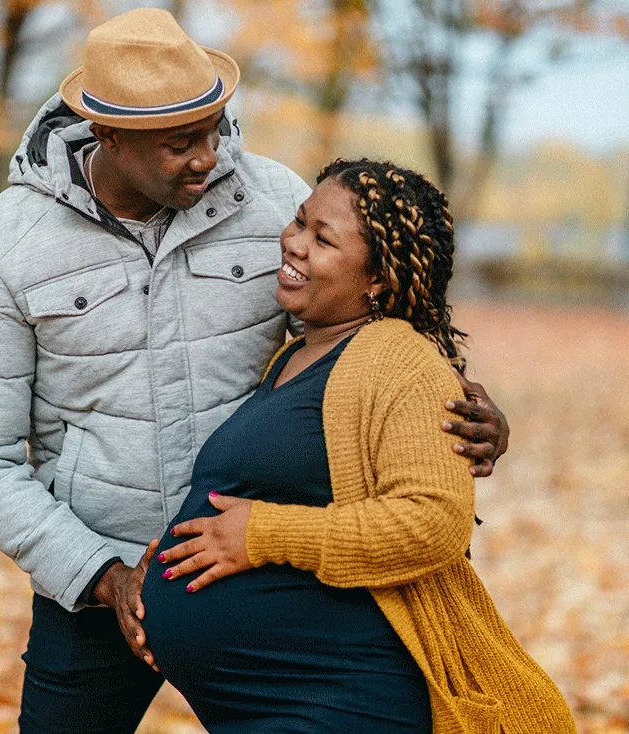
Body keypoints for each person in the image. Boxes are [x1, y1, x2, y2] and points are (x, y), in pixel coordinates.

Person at [0, 9, 509, 732]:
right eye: (180, 145)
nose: (209, 157)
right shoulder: (4, 244)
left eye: (213, 129)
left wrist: (466, 417)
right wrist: (103, 578)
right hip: (91, 583)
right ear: (108, 135)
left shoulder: (271, 201)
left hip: (277, 585)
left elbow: (367, 337)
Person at [143, 160, 576, 733]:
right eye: (299, 223)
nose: (293, 243)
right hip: (284, 700)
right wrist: (186, 545)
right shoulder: (295, 353)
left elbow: (433, 523)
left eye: (322, 239)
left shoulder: (399, 359)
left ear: (377, 280)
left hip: (343, 700)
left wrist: (263, 534)